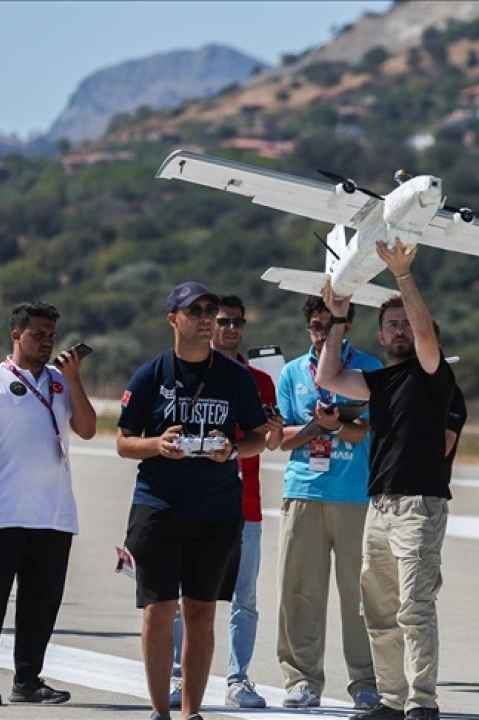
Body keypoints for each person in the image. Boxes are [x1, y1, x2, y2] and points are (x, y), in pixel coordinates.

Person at [314, 237, 457, 720]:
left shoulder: (432, 373)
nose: (400, 330)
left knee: (414, 607)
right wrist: (337, 318)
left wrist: (402, 275)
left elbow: (425, 335)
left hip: (419, 505)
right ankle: (393, 700)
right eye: (391, 324)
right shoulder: (377, 382)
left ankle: (422, 701)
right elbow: (328, 378)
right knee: (378, 609)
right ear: (379, 336)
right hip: (379, 506)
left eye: (406, 324)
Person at [116, 281, 273, 720]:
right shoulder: (151, 375)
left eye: (210, 310)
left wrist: (232, 450)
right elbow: (124, 442)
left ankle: (191, 713)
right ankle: (160, 712)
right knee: (158, 611)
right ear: (173, 319)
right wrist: (157, 445)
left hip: (216, 510)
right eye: (196, 311)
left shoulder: (236, 377)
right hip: (159, 507)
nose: (207, 318)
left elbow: (258, 437)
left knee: (202, 613)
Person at [0, 301, 96, 706]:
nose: (46, 342)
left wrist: (74, 380)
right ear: (16, 335)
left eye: (51, 335)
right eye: (38, 334)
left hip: (54, 511)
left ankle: (28, 679)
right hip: (3, 508)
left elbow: (87, 429)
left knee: (41, 601)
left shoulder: (59, 382)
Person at [168, 294, 283, 710]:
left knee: (244, 598)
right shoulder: (192, 373)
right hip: (196, 501)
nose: (231, 329)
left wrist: (274, 429)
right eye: (223, 321)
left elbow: (271, 443)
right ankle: (178, 675)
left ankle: (238, 678)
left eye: (238, 322)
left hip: (245, 505)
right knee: (185, 597)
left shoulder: (261, 380)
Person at [274, 295, 380, 710]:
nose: (323, 333)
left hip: (355, 494)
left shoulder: (368, 369)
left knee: (360, 595)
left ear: (346, 327)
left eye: (331, 325)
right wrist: (318, 425)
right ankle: (301, 678)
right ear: (308, 328)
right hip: (304, 492)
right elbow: (282, 438)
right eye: (317, 325)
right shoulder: (292, 372)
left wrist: (337, 426)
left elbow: (366, 431)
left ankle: (366, 681)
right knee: (300, 590)